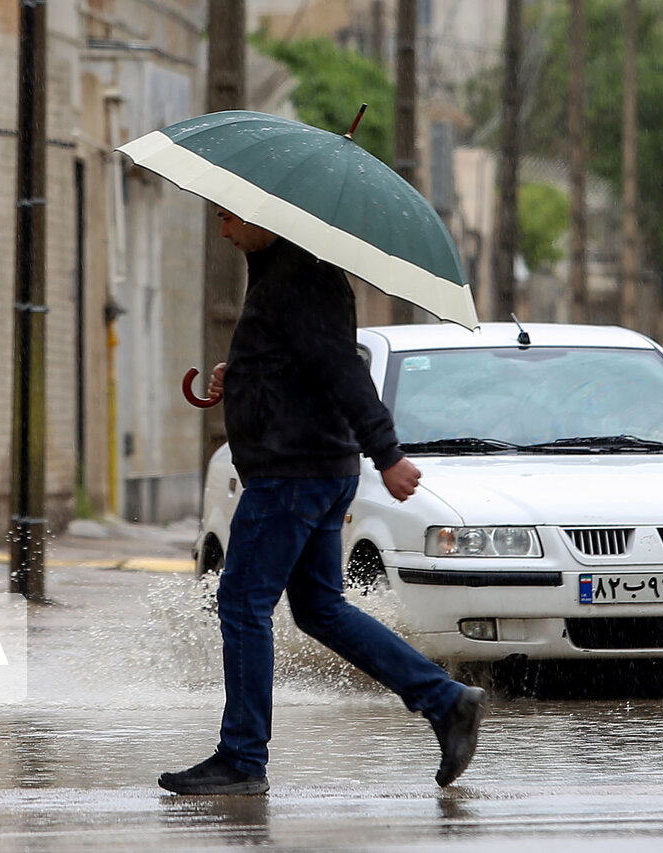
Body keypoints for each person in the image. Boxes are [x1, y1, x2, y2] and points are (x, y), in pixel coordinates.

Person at [158, 207, 488, 796]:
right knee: (318, 609)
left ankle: (241, 758)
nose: (224, 231)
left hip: (293, 471)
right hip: (309, 466)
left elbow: (342, 370)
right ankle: (446, 702)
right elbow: (300, 365)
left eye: (233, 218)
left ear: (268, 218)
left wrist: (387, 455)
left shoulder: (299, 277)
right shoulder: (283, 271)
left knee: (240, 600)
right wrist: (241, 375)